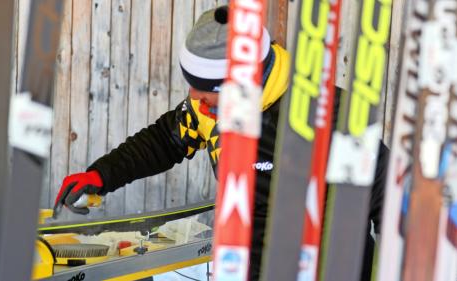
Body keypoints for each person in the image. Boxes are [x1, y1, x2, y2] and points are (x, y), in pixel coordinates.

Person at [53, 5, 388, 281]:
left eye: (208, 94)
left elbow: (391, 211)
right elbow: (165, 140)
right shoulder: (208, 110)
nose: (197, 103)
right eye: (193, 90)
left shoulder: (335, 120)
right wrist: (103, 175)